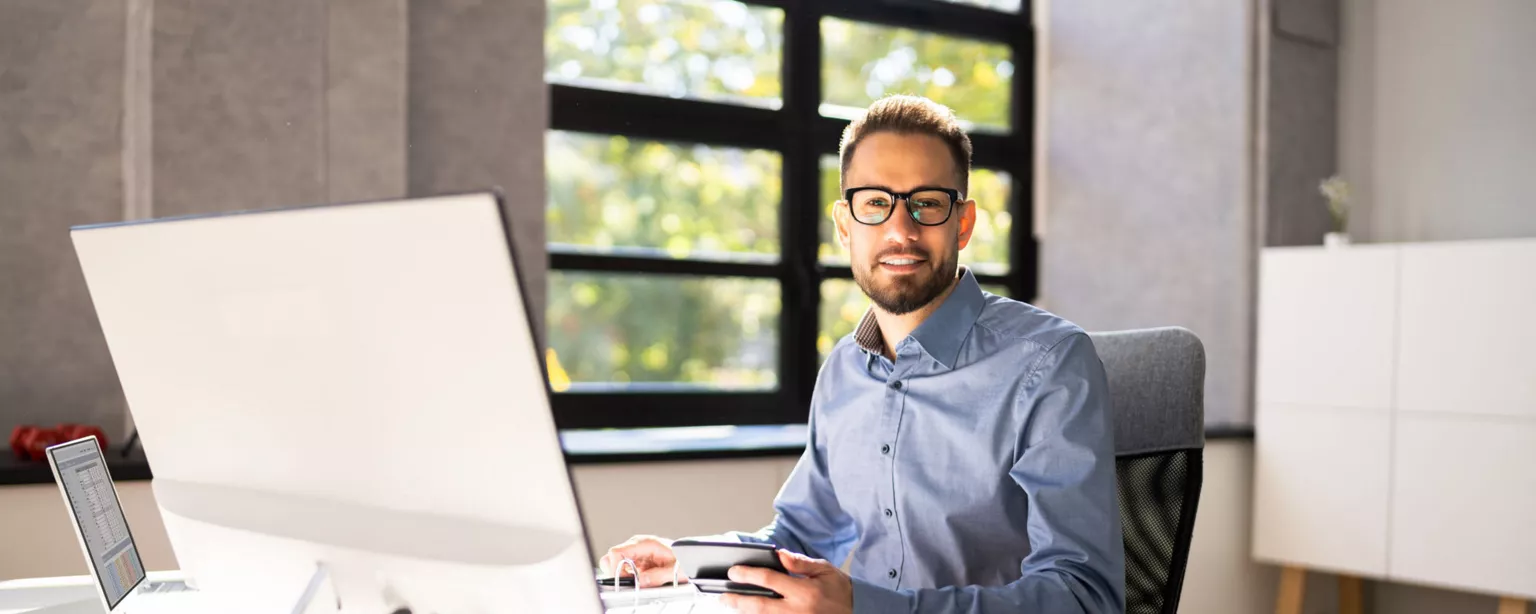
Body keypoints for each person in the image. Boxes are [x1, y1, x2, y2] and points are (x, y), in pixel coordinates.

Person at [601, 95, 1125, 614]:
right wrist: (692, 564)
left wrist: (864, 608)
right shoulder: (844, 371)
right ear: (846, 224)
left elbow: (1084, 598)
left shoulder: (1051, 364)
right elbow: (802, 535)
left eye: (928, 202)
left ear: (962, 224)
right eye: (876, 202)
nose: (901, 230)